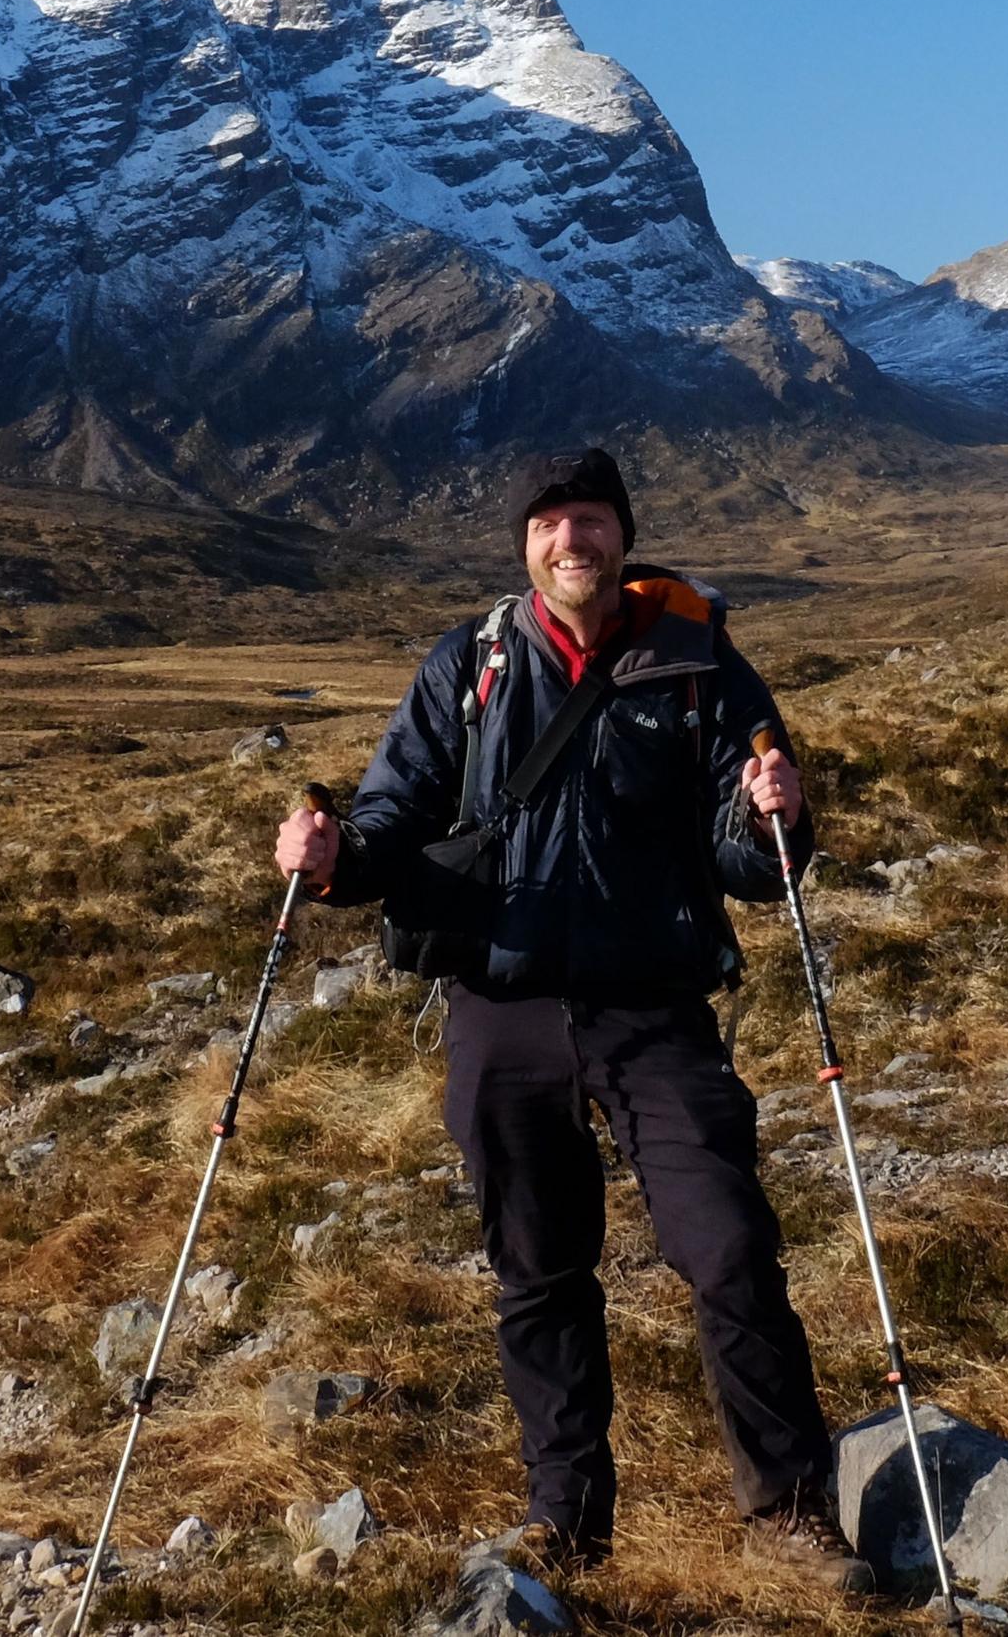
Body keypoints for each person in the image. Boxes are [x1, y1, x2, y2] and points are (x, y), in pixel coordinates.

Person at [272, 447, 873, 1590]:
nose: (572, 542)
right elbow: (394, 815)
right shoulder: (472, 664)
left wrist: (776, 819)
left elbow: (751, 851)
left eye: (591, 521)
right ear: (525, 546)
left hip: (655, 1007)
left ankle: (790, 1513)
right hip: (502, 1007)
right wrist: (336, 857)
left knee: (731, 1246)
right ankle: (568, 1520)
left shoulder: (697, 661)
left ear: (621, 535)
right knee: (539, 1272)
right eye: (550, 525)